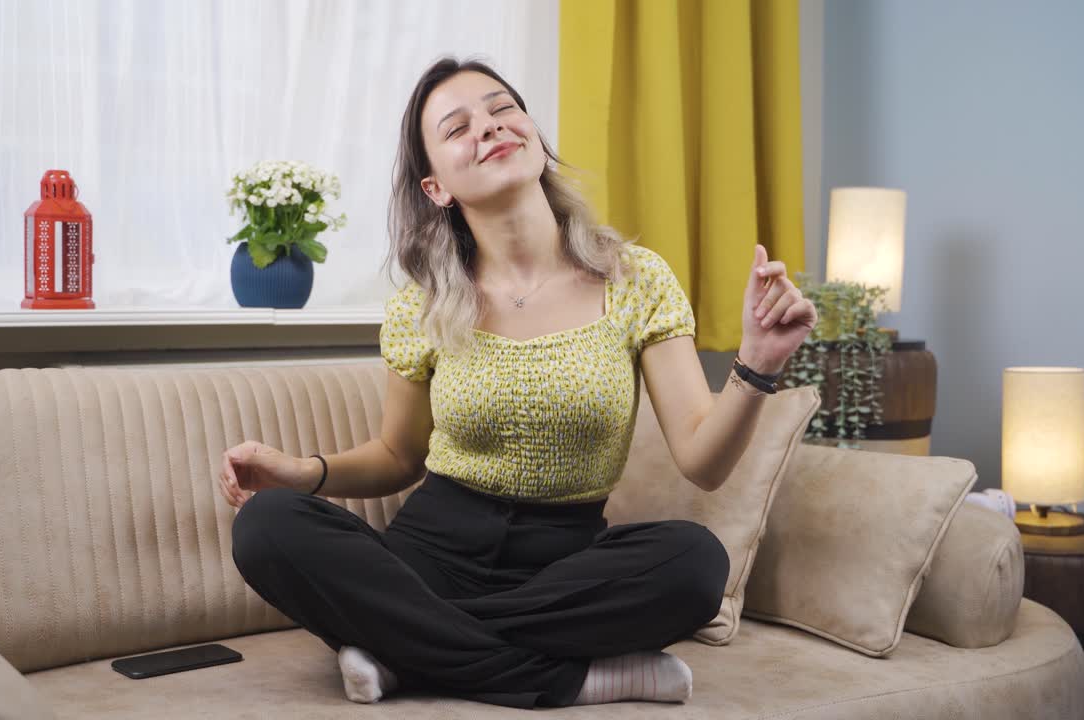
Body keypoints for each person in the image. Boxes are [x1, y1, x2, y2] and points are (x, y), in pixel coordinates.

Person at [218, 57, 817, 709]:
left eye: (502, 108)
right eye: (458, 126)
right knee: (267, 525)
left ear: (533, 137)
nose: (489, 126)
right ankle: (576, 678)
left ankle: (403, 651)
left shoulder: (636, 280)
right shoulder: (420, 306)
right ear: (436, 186)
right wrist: (301, 473)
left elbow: (702, 461)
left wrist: (757, 365)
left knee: (695, 563)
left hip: (564, 570)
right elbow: (398, 456)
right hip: (432, 556)